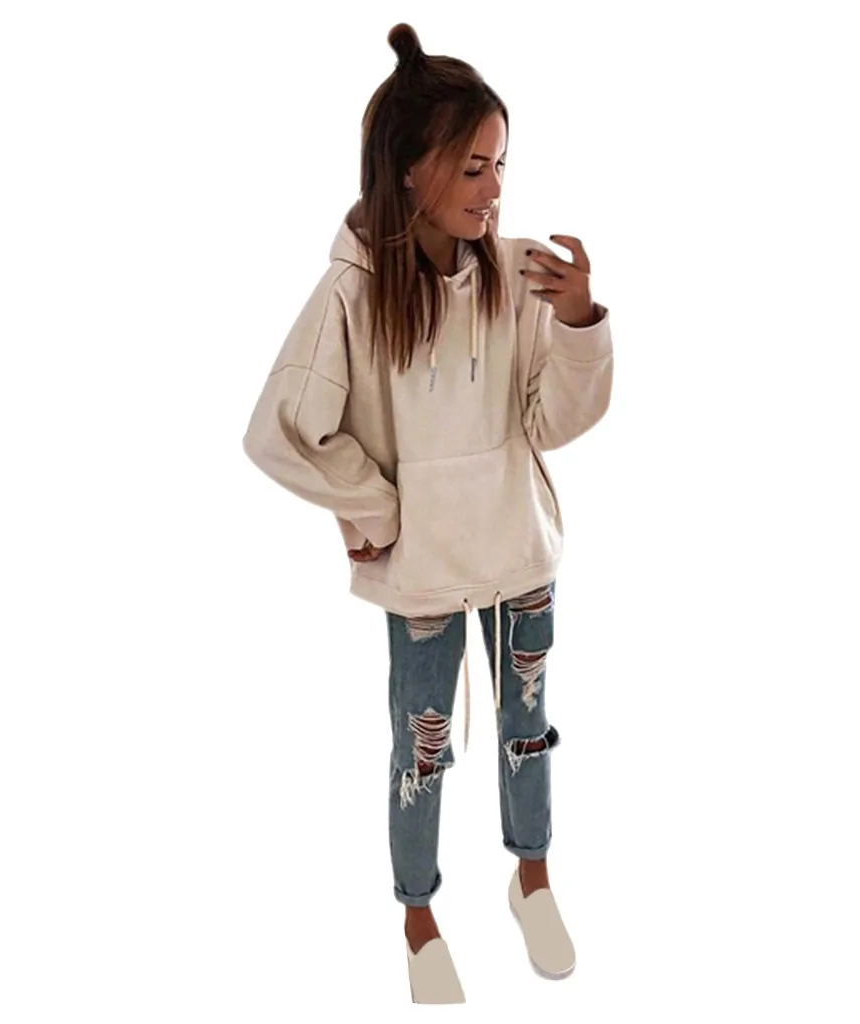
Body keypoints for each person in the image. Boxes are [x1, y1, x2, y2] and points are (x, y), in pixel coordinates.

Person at [241, 22, 614, 1004]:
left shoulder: (517, 272)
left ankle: (532, 877)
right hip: (423, 576)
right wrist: (372, 504)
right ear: (411, 169)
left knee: (527, 730)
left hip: (519, 553)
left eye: (501, 165)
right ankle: (419, 916)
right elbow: (281, 430)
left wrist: (578, 322)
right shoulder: (354, 294)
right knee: (422, 748)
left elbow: (551, 419)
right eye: (474, 168)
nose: (494, 190)